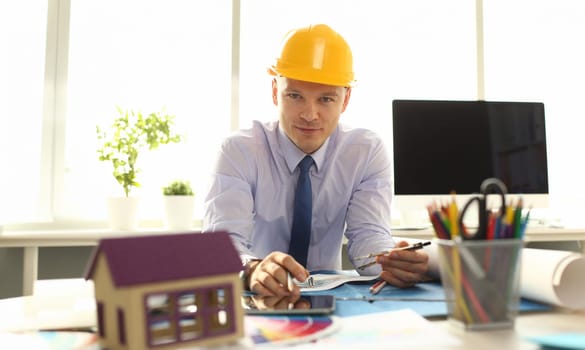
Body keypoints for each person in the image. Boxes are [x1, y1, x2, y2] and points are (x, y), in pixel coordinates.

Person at [203, 24, 429, 298]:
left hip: (333, 300)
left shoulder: (365, 152)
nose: (310, 114)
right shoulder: (238, 151)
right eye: (295, 96)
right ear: (275, 91)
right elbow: (221, 248)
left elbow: (369, 238)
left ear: (345, 100)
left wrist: (390, 261)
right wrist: (252, 269)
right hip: (255, 296)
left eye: (326, 99)